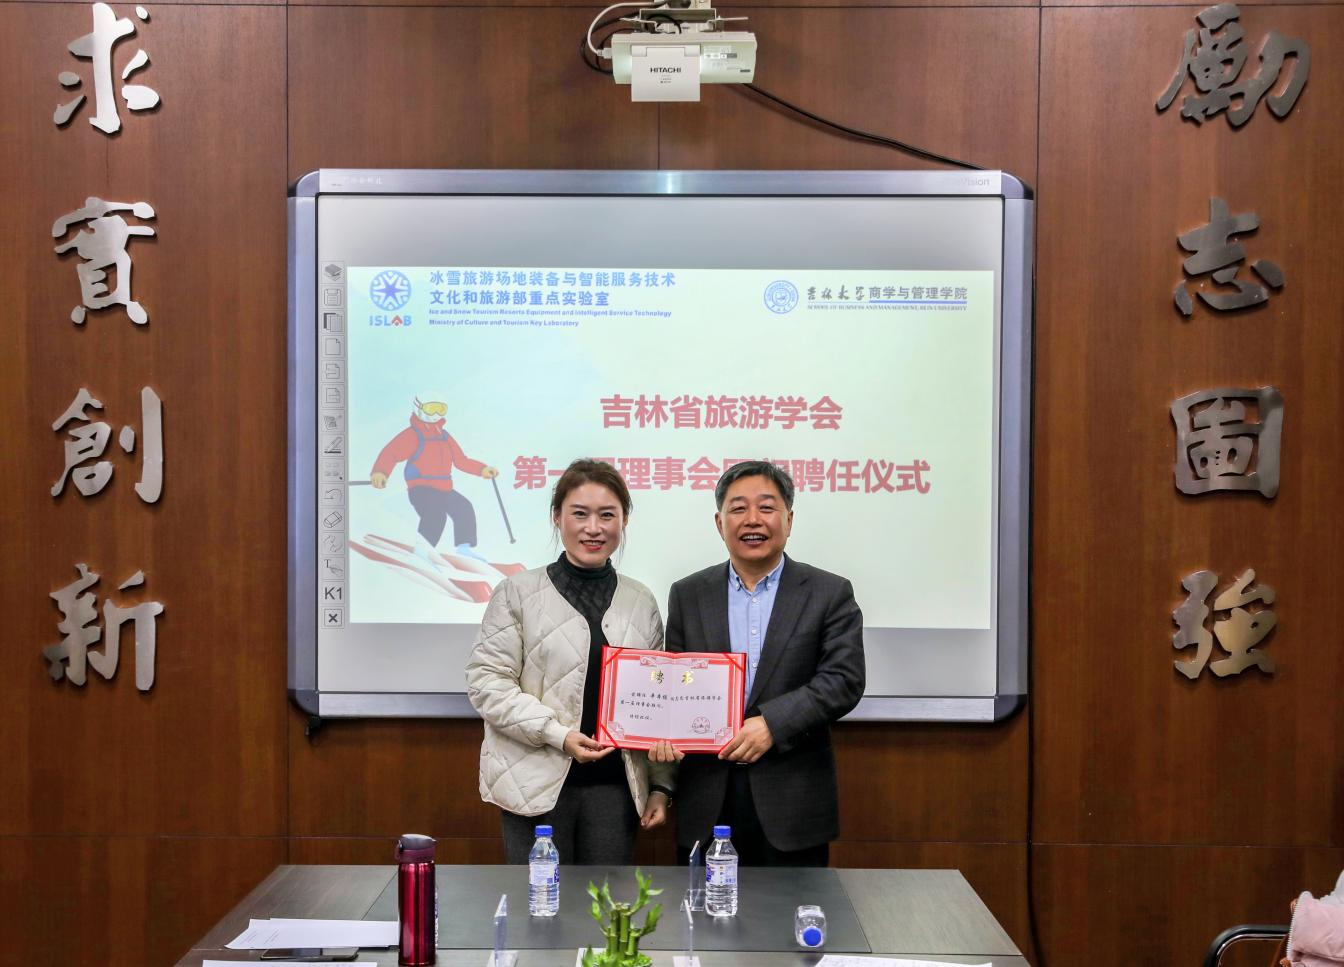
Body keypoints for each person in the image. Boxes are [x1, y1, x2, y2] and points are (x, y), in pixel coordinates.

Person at [466, 459, 674, 864]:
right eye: (580, 514)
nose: (593, 528)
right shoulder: (516, 593)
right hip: (533, 786)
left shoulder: (641, 600)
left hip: (616, 789)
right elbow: (487, 683)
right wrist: (557, 734)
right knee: (539, 900)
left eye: (607, 515)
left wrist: (661, 786)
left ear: (624, 520)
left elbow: (658, 701)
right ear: (557, 517)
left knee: (606, 901)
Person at [659, 460, 865, 866]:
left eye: (767, 507)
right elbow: (675, 684)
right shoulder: (688, 594)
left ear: (789, 519)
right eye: (738, 508)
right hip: (707, 796)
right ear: (719, 523)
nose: (752, 519)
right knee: (705, 908)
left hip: (792, 800)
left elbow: (844, 680)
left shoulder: (828, 592)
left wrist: (772, 724)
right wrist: (665, 728)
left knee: (791, 908)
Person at [370, 393, 498, 563]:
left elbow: (461, 460)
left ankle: (464, 549)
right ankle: (421, 553)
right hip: (421, 488)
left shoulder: (444, 436)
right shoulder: (413, 435)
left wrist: (482, 469)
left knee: (464, 507)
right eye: (431, 408)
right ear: (419, 408)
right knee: (436, 514)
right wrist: (380, 472)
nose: (436, 414)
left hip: (444, 487)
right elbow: (391, 453)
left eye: (441, 409)